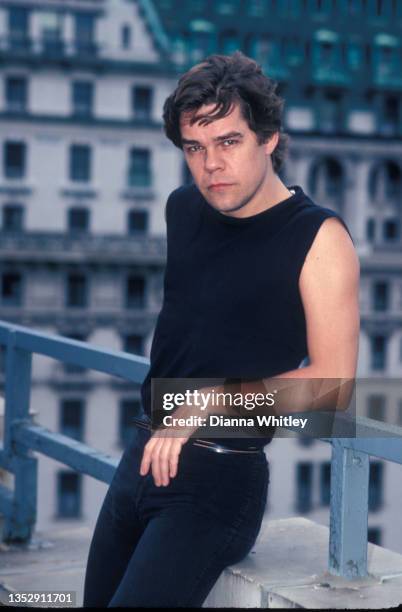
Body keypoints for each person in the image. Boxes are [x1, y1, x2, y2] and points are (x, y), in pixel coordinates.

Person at [83, 51, 360, 607]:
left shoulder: (320, 238)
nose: (210, 164)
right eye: (194, 147)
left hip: (219, 479)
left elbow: (333, 387)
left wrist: (209, 404)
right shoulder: (182, 208)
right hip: (142, 454)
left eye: (228, 141)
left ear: (269, 139)